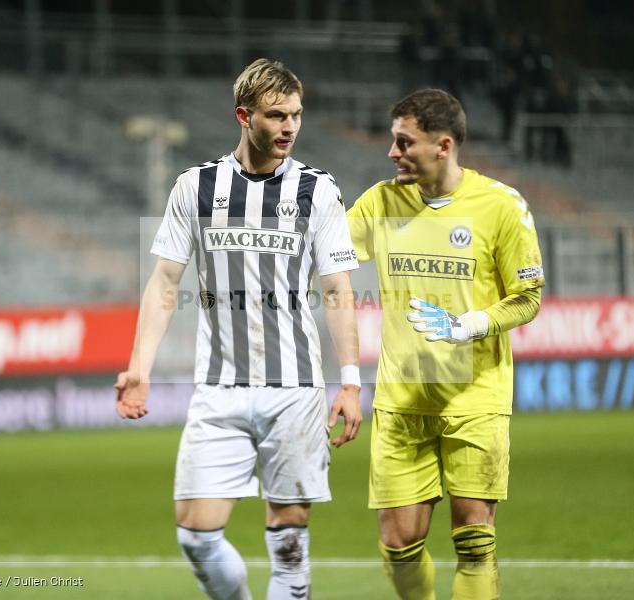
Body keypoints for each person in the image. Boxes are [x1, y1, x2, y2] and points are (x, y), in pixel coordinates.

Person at [115, 58, 363, 600]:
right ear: (243, 116)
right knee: (196, 535)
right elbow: (164, 281)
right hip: (218, 388)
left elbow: (338, 289)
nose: (290, 127)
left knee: (289, 538)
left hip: (295, 391)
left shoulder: (318, 191)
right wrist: (140, 367)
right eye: (277, 116)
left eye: (296, 115)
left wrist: (349, 381)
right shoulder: (196, 187)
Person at [347, 89, 545, 600]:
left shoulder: (501, 206)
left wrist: (469, 324)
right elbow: (328, 258)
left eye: (403, 141)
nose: (392, 153)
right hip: (402, 398)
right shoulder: (382, 201)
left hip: (474, 396)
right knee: (398, 543)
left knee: (474, 540)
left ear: (443, 144)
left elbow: (527, 298)